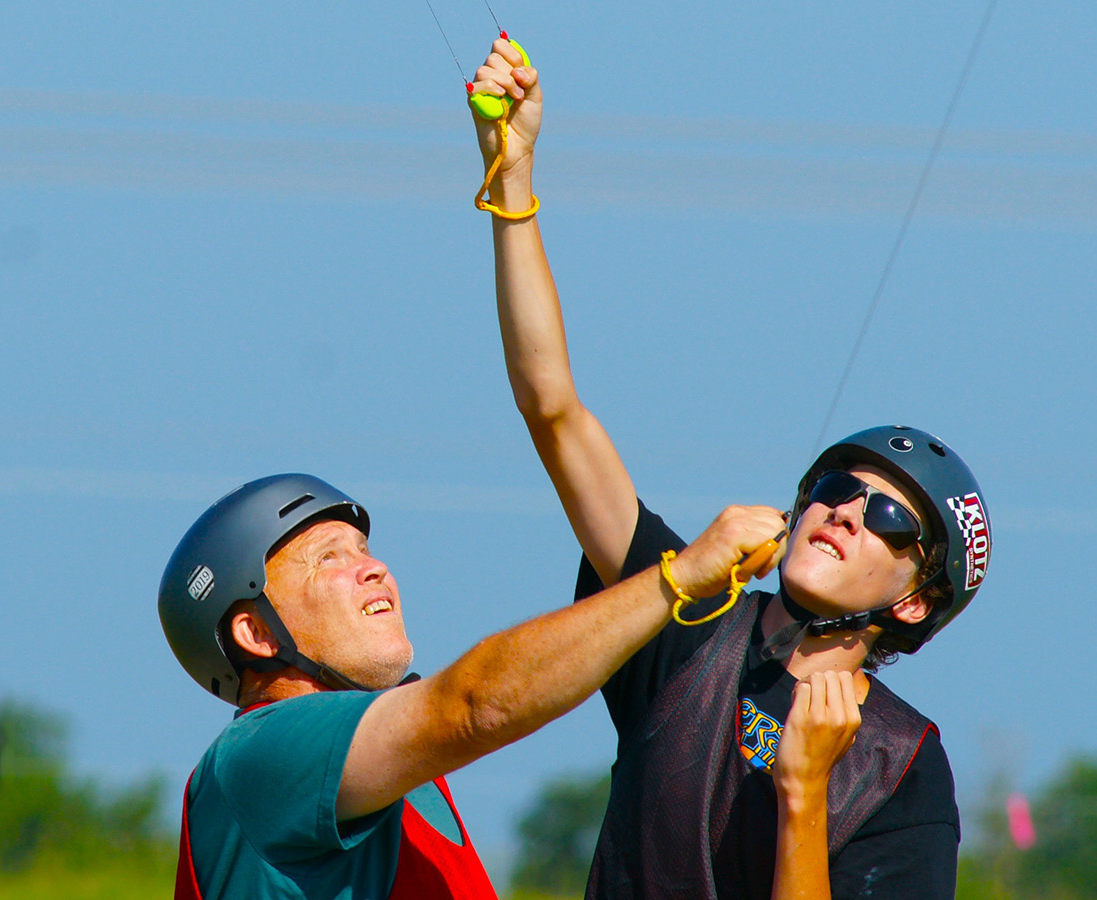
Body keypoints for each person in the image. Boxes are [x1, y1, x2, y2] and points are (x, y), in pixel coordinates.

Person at [468, 40, 993, 900]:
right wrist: (513, 183)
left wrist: (803, 791)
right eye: (834, 489)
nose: (848, 512)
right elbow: (553, 412)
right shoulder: (685, 618)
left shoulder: (904, 770)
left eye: (889, 520)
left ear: (912, 599)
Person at [158, 473, 789, 900]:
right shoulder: (261, 752)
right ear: (255, 633)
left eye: (364, 549)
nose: (374, 567)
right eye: (330, 559)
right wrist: (681, 577)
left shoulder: (409, 788)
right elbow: (474, 704)